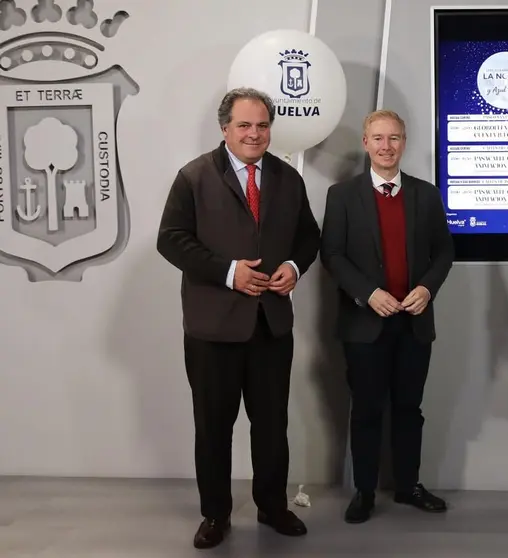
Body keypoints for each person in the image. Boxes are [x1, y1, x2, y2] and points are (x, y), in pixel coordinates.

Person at [157, 87, 321, 549]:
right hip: (213, 328)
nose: (255, 133)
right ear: (225, 128)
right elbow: (171, 240)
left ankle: (272, 506)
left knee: (271, 425)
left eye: (263, 124)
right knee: (214, 428)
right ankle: (215, 515)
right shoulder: (193, 177)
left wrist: (293, 267)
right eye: (245, 125)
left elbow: (308, 238)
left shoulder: (288, 179)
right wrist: (229, 273)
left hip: (271, 325)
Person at [320, 109, 455, 524]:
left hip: (413, 322)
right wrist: (367, 293)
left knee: (409, 409)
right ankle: (363, 491)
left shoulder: (425, 194)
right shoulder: (342, 195)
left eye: (393, 138)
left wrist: (427, 289)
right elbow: (333, 255)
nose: (385, 146)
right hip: (365, 323)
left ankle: (408, 486)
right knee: (365, 410)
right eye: (377, 138)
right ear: (365, 143)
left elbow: (444, 252)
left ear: (404, 142)